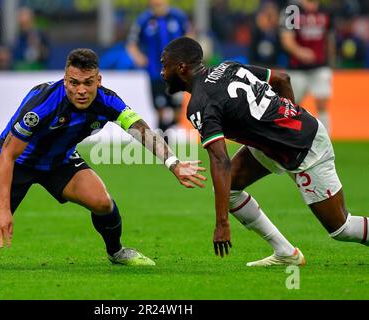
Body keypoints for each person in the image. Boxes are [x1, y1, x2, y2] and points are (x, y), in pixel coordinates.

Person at [0, 48, 206, 268]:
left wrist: (173, 163)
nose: (81, 90)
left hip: (59, 160)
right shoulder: (44, 104)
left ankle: (117, 252)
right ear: (65, 81)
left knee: (102, 201)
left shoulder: (108, 101)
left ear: (99, 80)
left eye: (88, 83)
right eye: (74, 83)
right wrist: (3, 209)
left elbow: (141, 130)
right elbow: (7, 155)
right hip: (18, 162)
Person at [160, 37, 368, 266]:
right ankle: (286, 254)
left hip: (305, 148)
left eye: (164, 65)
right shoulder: (228, 66)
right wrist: (287, 120)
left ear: (181, 67)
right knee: (229, 188)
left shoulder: (200, 104)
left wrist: (222, 223)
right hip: (278, 142)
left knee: (341, 228)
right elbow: (282, 79)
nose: (162, 72)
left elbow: (220, 161)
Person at [126, 0, 192, 132]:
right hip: (155, 73)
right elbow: (131, 43)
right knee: (161, 110)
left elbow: (190, 35)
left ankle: (160, 135)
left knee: (178, 112)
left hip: (176, 74)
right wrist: (139, 57)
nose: (158, 4)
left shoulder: (178, 17)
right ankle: (162, 140)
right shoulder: (143, 20)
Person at [280, 0, 335, 132]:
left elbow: (330, 38)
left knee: (323, 103)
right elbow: (286, 38)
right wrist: (300, 52)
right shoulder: (292, 10)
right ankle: (290, 136)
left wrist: (331, 62)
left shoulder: (325, 11)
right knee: (292, 105)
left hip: (320, 66)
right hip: (296, 68)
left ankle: (325, 138)